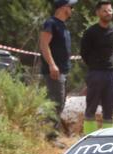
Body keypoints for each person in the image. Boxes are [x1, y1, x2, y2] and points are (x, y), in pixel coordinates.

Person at [80, 1, 113, 134]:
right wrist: (93, 66)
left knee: (109, 109)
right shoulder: (90, 32)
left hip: (110, 74)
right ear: (98, 13)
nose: (108, 13)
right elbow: (84, 53)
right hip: (95, 73)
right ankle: (88, 137)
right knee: (91, 108)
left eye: (110, 10)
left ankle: (108, 137)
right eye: (105, 11)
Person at [39, 0, 76, 136]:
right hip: (55, 71)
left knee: (59, 103)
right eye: (71, 7)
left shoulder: (63, 26)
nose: (72, 9)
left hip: (64, 70)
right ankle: (50, 136)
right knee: (56, 103)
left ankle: (50, 132)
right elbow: (44, 44)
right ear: (63, 7)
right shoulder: (51, 23)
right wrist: (52, 64)